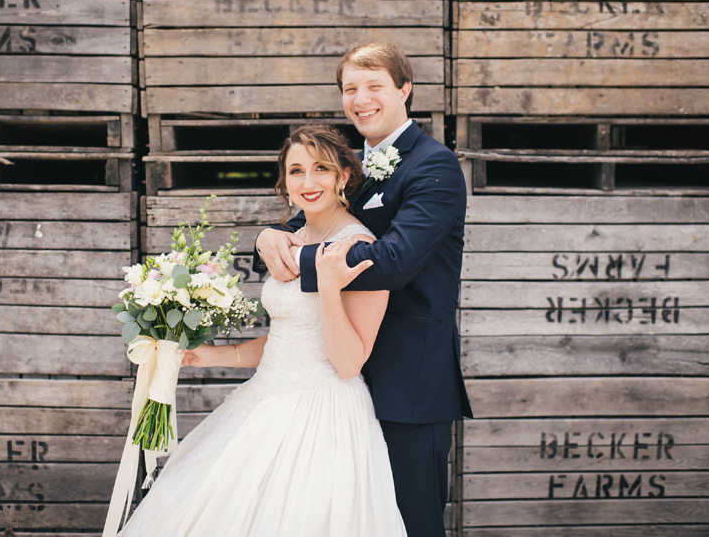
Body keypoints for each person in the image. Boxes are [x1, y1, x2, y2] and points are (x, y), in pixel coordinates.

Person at [115, 123, 408, 537]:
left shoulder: (359, 248)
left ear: (344, 176)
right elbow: (288, 338)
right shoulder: (290, 238)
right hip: (265, 397)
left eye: (321, 169)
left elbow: (348, 363)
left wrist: (327, 289)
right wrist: (205, 355)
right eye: (296, 171)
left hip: (321, 414)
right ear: (284, 181)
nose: (308, 182)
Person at [254, 42, 472, 537]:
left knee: (410, 523)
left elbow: (392, 262)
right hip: (339, 381)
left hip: (406, 381)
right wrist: (264, 240)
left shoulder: (433, 167)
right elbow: (304, 228)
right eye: (351, 88)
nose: (361, 99)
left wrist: (299, 257)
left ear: (404, 89)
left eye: (374, 86)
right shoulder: (353, 166)